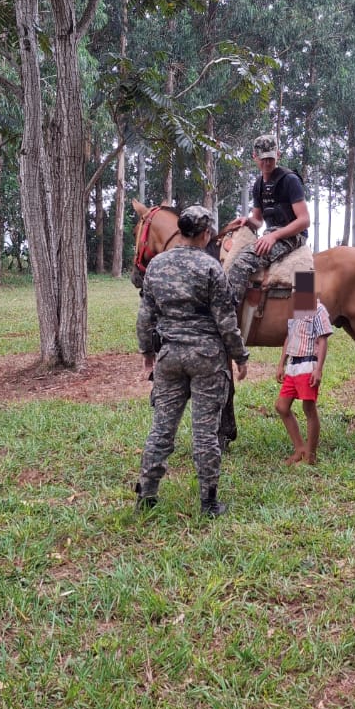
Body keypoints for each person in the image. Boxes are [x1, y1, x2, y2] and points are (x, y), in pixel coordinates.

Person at [135, 205, 249, 519]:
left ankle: (146, 495)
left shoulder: (157, 265)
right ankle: (209, 502)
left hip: (169, 357)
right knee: (205, 433)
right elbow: (227, 323)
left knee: (161, 429)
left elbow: (145, 317)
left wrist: (148, 356)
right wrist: (240, 357)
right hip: (207, 360)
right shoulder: (212, 268)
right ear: (205, 234)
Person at [226, 134, 311, 313]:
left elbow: (304, 220)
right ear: (254, 157)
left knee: (242, 262)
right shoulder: (258, 185)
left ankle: (226, 316)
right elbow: (258, 221)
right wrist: (247, 220)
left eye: (271, 158)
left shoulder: (290, 180)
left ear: (278, 155)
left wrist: (274, 236)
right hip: (272, 233)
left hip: (292, 236)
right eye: (263, 159)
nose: (267, 163)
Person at [275, 298, 333, 465]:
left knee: (308, 407)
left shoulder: (319, 309)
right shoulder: (297, 308)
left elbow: (323, 340)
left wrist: (318, 368)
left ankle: (311, 455)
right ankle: (300, 449)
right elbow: (289, 337)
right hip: (293, 364)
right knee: (281, 406)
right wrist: (281, 363)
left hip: (308, 363)